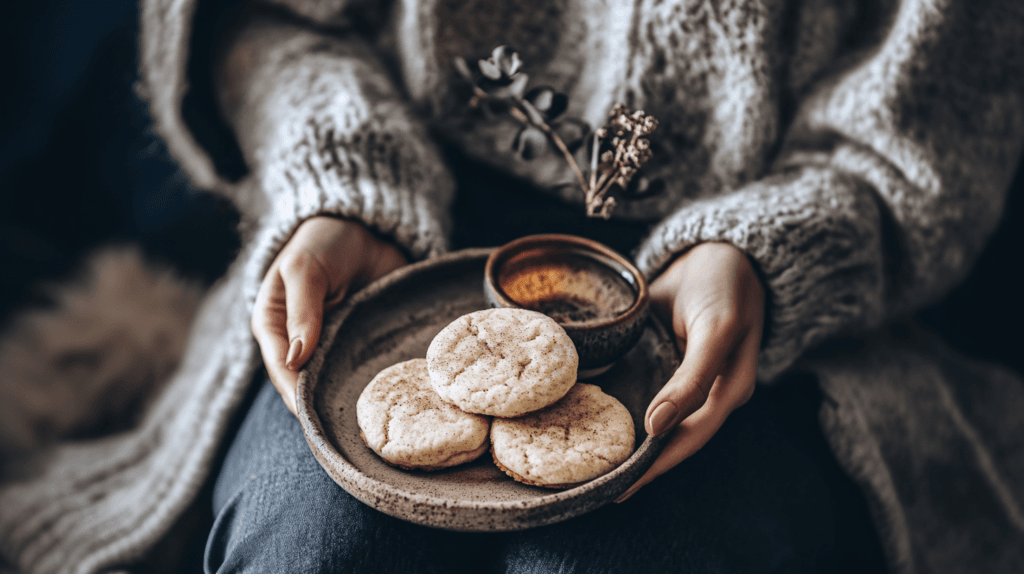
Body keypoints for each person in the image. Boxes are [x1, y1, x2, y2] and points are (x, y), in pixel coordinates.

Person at [1, 0, 1023, 572]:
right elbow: (266, 22)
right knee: (305, 544)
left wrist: (771, 253)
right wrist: (341, 177)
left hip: (740, 308)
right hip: (403, 235)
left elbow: (919, 146)